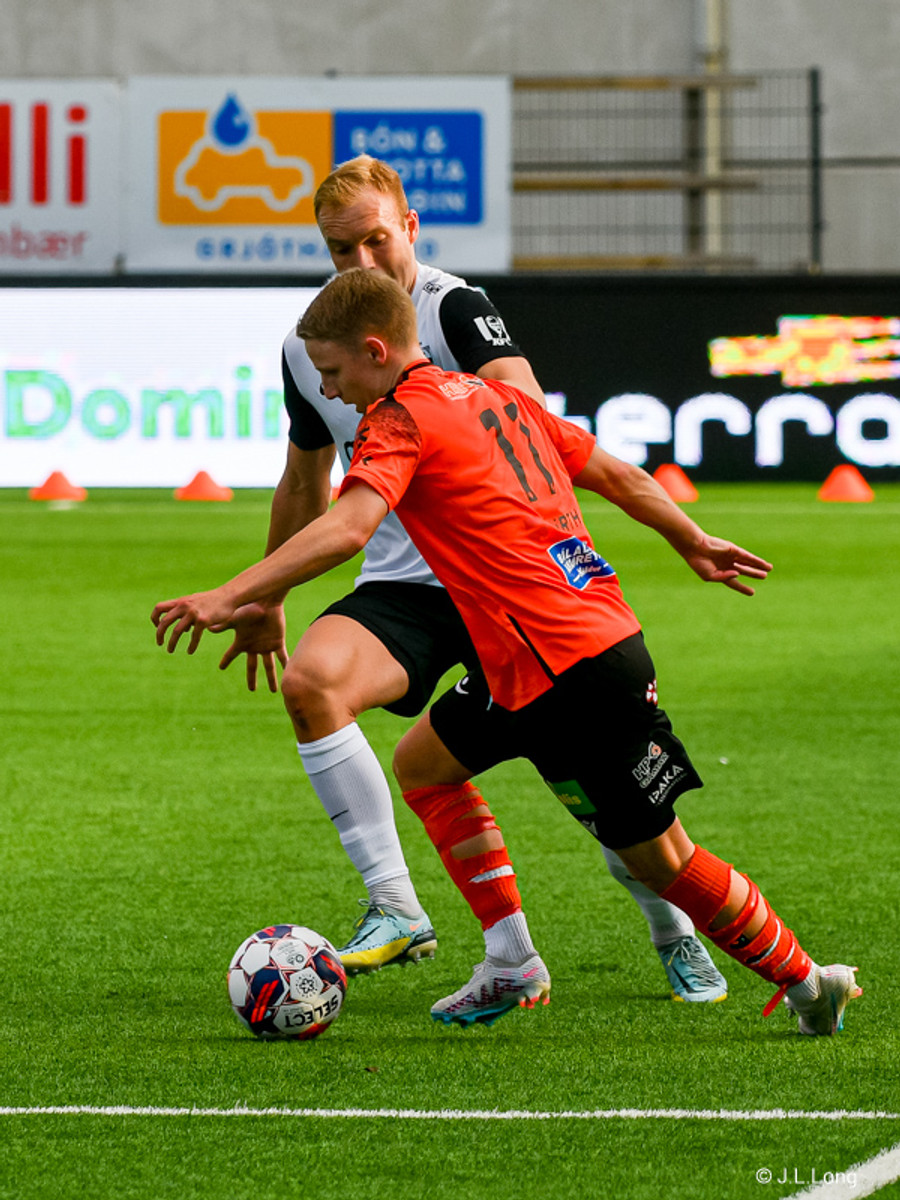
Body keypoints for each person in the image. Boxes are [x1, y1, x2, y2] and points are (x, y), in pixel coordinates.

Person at [152, 269, 861, 1037]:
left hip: (566, 672)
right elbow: (614, 473)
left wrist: (233, 595)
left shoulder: (398, 418)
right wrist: (689, 538)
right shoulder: (498, 399)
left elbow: (350, 526)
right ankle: (512, 960)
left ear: (375, 351)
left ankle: (808, 983)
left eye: (332, 371)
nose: (329, 390)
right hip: (556, 652)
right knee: (425, 764)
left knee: (663, 861)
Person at [217, 154, 727, 1000]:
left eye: (376, 240)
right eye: (342, 249)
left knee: (602, 794)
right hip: (408, 587)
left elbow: (530, 418)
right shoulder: (314, 346)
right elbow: (305, 479)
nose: (362, 261)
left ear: (410, 226)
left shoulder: (454, 308)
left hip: (509, 586)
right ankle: (401, 909)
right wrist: (265, 597)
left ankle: (673, 929)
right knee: (312, 683)